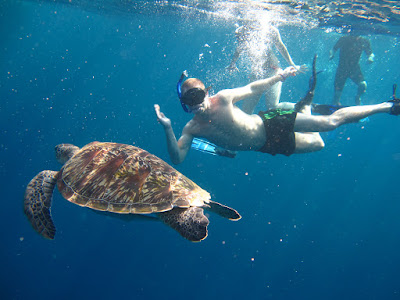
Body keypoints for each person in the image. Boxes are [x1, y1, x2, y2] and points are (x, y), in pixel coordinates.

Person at [154, 62, 399, 165]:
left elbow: (252, 88)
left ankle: (387, 106)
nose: (195, 104)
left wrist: (278, 77)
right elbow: (177, 158)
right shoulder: (191, 129)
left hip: (269, 124)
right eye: (188, 101)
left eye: (197, 96)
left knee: (330, 123)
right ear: (184, 105)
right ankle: (302, 106)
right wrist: (167, 127)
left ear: (207, 93)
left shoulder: (224, 97)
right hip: (266, 145)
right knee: (318, 144)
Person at [226, 23, 307, 113]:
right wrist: (232, 63)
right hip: (256, 73)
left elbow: (281, 46)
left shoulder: (271, 30)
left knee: (272, 106)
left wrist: (292, 64)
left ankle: (305, 106)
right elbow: (239, 49)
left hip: (273, 71)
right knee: (246, 110)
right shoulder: (241, 31)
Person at [330, 34, 375, 106]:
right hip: (342, 68)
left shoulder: (364, 41)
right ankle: (335, 105)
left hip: (355, 68)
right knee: (337, 94)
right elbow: (333, 49)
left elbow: (371, 53)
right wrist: (332, 54)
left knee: (363, 85)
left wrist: (370, 58)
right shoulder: (343, 39)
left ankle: (358, 97)